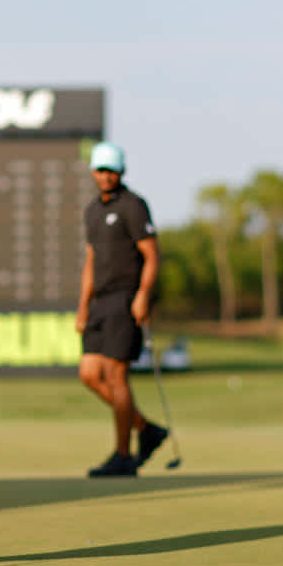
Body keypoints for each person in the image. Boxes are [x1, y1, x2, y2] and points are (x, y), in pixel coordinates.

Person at [75, 142, 168, 477]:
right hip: (99, 302)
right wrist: (83, 306)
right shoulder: (92, 210)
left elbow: (152, 256)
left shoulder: (133, 206)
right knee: (89, 374)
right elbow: (91, 261)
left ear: (121, 172)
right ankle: (145, 428)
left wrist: (143, 295)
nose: (105, 176)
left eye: (111, 170)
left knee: (116, 376)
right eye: (100, 170)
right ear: (93, 172)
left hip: (124, 298)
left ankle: (123, 456)